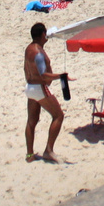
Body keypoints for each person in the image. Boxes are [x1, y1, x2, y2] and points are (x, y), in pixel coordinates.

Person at [23, 23, 66, 163]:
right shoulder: (38, 52)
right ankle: (48, 150)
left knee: (31, 121)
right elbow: (44, 75)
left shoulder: (28, 49)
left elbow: (26, 69)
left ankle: (29, 155)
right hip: (39, 88)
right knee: (58, 115)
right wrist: (61, 76)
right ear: (42, 34)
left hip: (29, 87)